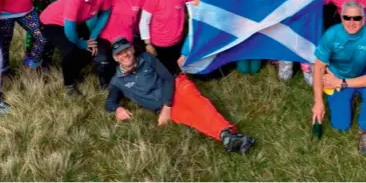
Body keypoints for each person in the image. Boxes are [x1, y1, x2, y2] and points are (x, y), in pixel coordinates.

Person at [106, 38, 256, 154]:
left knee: (199, 105)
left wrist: (166, 107)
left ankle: (226, 132)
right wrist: (118, 109)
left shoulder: (146, 58)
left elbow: (167, 78)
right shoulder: (117, 81)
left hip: (176, 88)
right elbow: (109, 102)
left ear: (132, 49)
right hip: (164, 107)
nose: (125, 54)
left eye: (126, 50)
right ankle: (227, 137)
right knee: (191, 118)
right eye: (119, 53)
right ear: (115, 58)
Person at [311, 0, 366, 156]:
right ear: (341, 18)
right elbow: (318, 67)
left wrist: (341, 83)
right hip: (339, 75)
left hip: (363, 76)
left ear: (363, 20)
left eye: (356, 18)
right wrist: (318, 101)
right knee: (340, 125)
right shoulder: (331, 34)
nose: (352, 22)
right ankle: (346, 99)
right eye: (347, 18)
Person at [40, 0, 113, 95]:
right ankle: (69, 85)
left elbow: (104, 14)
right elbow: (69, 29)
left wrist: (93, 37)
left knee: (92, 47)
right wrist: (82, 43)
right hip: (51, 23)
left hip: (77, 22)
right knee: (73, 49)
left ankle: (74, 70)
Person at [139, 0, 199, 75]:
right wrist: (148, 44)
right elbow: (144, 21)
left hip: (177, 41)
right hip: (159, 44)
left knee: (177, 69)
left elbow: (196, 0)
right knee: (165, 73)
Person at [278, 0, 315, 86]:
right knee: (284, 78)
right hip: (288, 35)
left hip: (306, 36)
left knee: (312, 82)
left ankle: (305, 64)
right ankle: (287, 62)